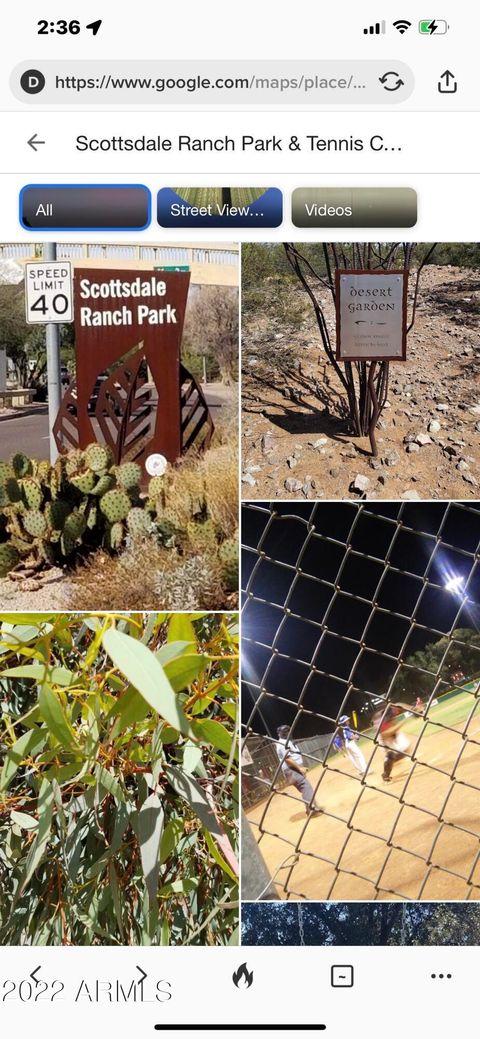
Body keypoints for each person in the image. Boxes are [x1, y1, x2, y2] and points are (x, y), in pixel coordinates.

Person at [274, 725, 322, 815]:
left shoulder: (287, 742)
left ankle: (310, 807)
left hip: (293, 769)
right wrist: (299, 768)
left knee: (304, 787)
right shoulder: (282, 743)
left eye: (288, 731)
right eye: (286, 732)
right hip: (291, 769)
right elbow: (287, 759)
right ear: (281, 734)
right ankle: (311, 809)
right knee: (305, 786)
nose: (288, 733)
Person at [373, 704, 411, 783]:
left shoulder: (390, 711)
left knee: (406, 748)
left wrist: (412, 709)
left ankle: (392, 760)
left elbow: (400, 705)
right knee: (391, 754)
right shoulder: (380, 721)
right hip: (384, 736)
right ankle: (385, 774)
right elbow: (387, 733)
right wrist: (404, 721)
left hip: (392, 730)